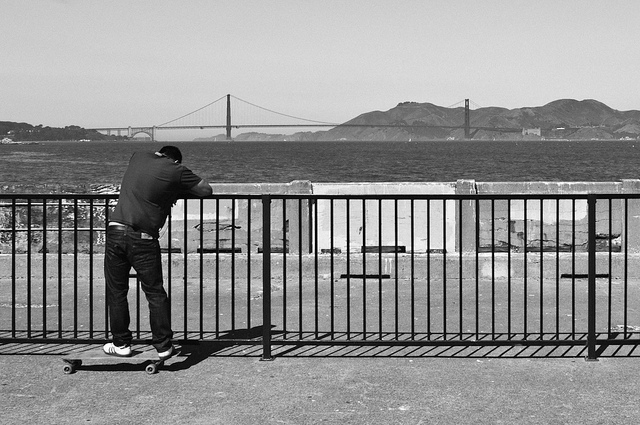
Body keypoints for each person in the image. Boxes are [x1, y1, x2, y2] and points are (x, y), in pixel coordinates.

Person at [103, 146, 212, 359]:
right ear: (176, 161)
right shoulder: (176, 170)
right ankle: (163, 346)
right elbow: (206, 190)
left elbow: (146, 180)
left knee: (116, 291)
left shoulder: (138, 156)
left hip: (115, 231)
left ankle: (121, 344)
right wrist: (176, 189)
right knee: (154, 292)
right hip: (143, 238)